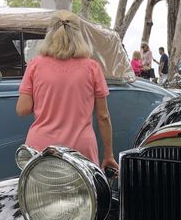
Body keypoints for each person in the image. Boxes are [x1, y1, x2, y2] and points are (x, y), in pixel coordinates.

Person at [15, 10, 117, 174]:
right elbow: (103, 117)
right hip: (80, 150)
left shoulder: (35, 65)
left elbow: (22, 109)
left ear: (50, 33)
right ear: (78, 34)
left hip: (41, 149)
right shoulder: (92, 67)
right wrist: (108, 155)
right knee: (84, 197)